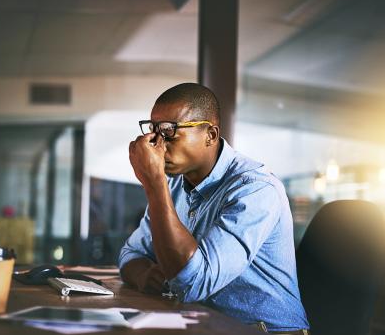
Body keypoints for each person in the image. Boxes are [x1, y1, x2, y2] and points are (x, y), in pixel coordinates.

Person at [118, 83, 309, 333]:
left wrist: (154, 184)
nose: (157, 144)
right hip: (205, 326)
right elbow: (130, 253)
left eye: (169, 131)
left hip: (264, 330)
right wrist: (145, 276)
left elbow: (192, 282)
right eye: (153, 130)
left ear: (210, 134)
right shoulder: (175, 185)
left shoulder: (256, 189)